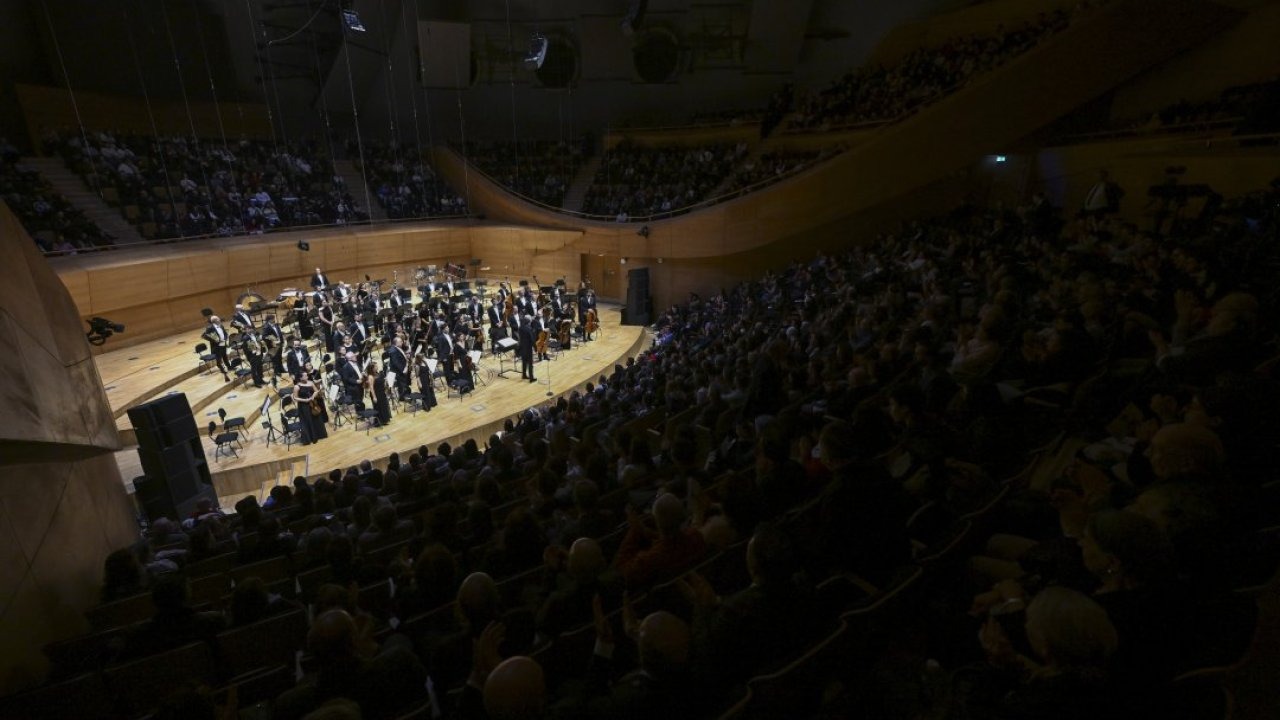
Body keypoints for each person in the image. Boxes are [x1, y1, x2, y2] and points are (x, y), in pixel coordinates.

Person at [293, 371, 329, 445]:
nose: (307, 377)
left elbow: (316, 391)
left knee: (317, 418)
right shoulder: (297, 387)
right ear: (300, 378)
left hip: (313, 403)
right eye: (305, 376)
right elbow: (295, 398)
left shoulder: (310, 382)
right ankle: (312, 437)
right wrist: (306, 400)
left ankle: (320, 435)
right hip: (304, 406)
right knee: (308, 420)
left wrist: (313, 396)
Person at [204, 315, 231, 381]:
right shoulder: (209, 328)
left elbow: (225, 333)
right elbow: (205, 336)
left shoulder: (221, 325)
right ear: (214, 321)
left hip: (223, 344)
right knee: (219, 359)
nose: (219, 319)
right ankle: (222, 370)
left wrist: (225, 338)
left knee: (225, 356)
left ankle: (229, 366)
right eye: (218, 319)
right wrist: (215, 340)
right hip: (216, 346)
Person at [365, 361, 392, 426]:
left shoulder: (377, 373)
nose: (377, 367)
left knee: (384, 406)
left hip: (381, 392)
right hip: (376, 394)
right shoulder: (370, 377)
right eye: (376, 366)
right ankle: (379, 422)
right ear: (372, 368)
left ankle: (385, 420)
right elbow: (371, 388)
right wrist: (374, 397)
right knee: (378, 407)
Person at [518, 315, 536, 383]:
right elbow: (532, 339)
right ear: (528, 322)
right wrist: (535, 347)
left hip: (522, 347)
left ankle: (524, 375)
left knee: (524, 362)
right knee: (530, 363)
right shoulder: (529, 328)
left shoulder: (520, 328)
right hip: (528, 348)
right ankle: (531, 378)